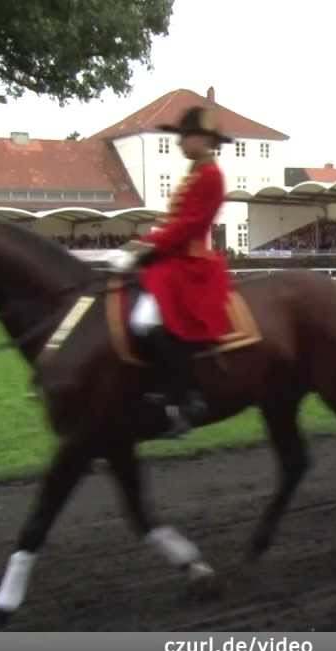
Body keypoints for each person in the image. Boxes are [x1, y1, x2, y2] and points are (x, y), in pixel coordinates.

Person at [113, 105, 235, 437]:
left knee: (146, 319)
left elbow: (189, 227)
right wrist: (141, 244)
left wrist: (146, 247)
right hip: (175, 257)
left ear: (203, 139)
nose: (180, 143)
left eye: (184, 137)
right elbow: (173, 224)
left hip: (191, 263)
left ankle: (186, 397)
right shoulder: (196, 172)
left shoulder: (211, 175)